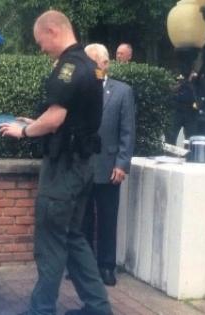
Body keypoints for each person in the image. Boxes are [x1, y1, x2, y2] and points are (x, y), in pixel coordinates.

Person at [0, 10, 113, 315]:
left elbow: (56, 118)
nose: (41, 48)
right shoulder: (90, 66)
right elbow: (71, 117)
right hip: (82, 165)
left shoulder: (68, 66)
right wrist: (35, 120)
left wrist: (23, 130)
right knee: (74, 238)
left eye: (40, 42)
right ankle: (98, 308)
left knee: (50, 242)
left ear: (52, 30)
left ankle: (41, 310)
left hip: (63, 169)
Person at [83, 43, 135, 286]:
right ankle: (82, 266)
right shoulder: (78, 90)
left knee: (107, 219)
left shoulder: (122, 92)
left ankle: (106, 266)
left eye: (94, 63)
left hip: (109, 166)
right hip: (81, 168)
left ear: (105, 64)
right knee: (81, 220)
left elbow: (127, 132)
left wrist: (122, 164)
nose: (91, 68)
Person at [164, 73, 198, 145]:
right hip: (175, 109)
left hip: (190, 111)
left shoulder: (193, 76)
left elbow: (196, 93)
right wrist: (182, 84)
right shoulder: (171, 74)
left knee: (191, 140)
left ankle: (188, 155)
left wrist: (189, 82)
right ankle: (169, 155)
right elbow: (171, 88)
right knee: (170, 139)